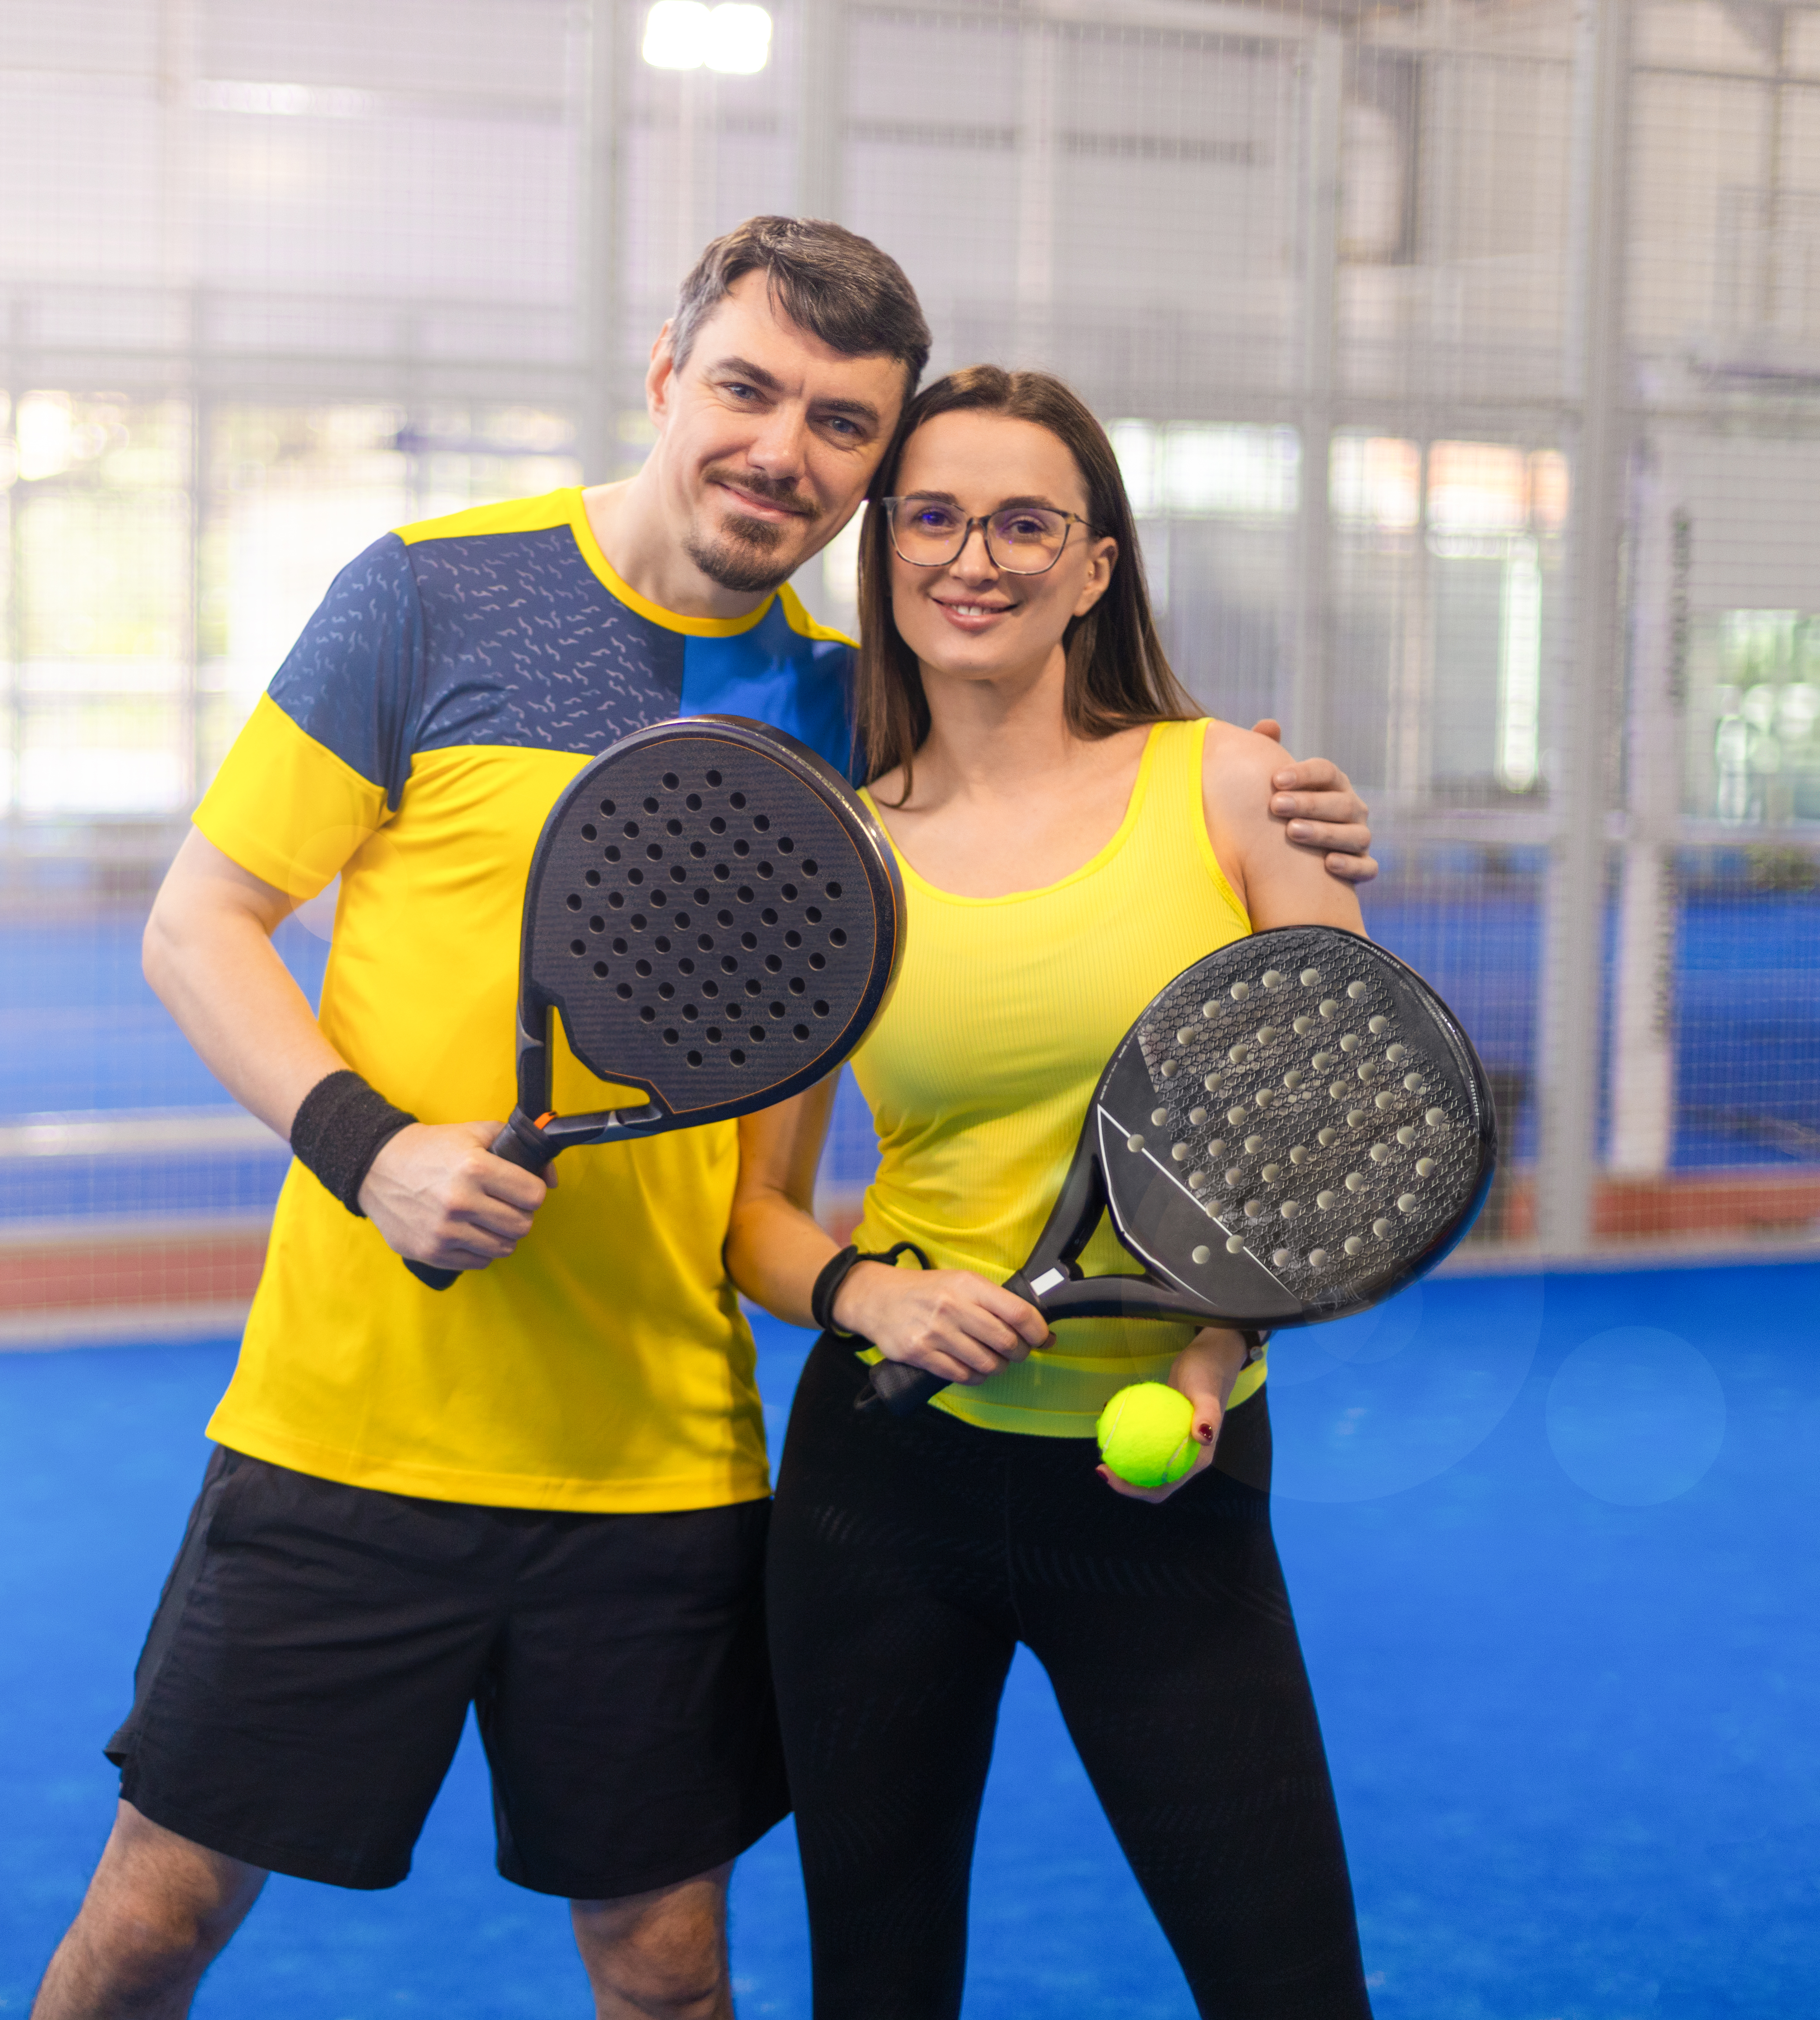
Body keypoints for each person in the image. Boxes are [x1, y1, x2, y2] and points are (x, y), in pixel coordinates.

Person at [32, 221, 1380, 2020]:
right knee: (154, 1921)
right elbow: (195, 921)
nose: (783, 449)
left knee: (672, 1980)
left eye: (841, 424)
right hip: (346, 1434)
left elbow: (999, 879)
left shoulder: (841, 718)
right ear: (669, 375)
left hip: (666, 1463)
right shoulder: (431, 590)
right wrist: (372, 1147)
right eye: (749, 388)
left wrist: (1270, 796)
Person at [726, 366, 1378, 2019]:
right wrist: (873, 1294)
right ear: (886, 558)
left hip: (1161, 1485)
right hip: (880, 1486)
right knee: (878, 1988)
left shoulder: (1238, 791)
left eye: (1028, 523)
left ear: (1095, 566)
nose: (976, 558)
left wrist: (1212, 1360)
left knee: (1291, 1989)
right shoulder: (832, 854)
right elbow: (754, 1216)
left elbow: (1341, 1143)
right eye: (933, 517)